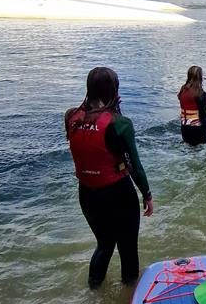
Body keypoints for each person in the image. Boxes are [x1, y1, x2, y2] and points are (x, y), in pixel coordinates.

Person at [65, 67, 153, 288]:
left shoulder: (71, 117)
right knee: (127, 248)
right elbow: (134, 165)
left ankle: (94, 293)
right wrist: (147, 194)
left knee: (104, 245)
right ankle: (128, 301)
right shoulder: (119, 123)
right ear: (114, 89)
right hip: (118, 194)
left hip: (87, 194)